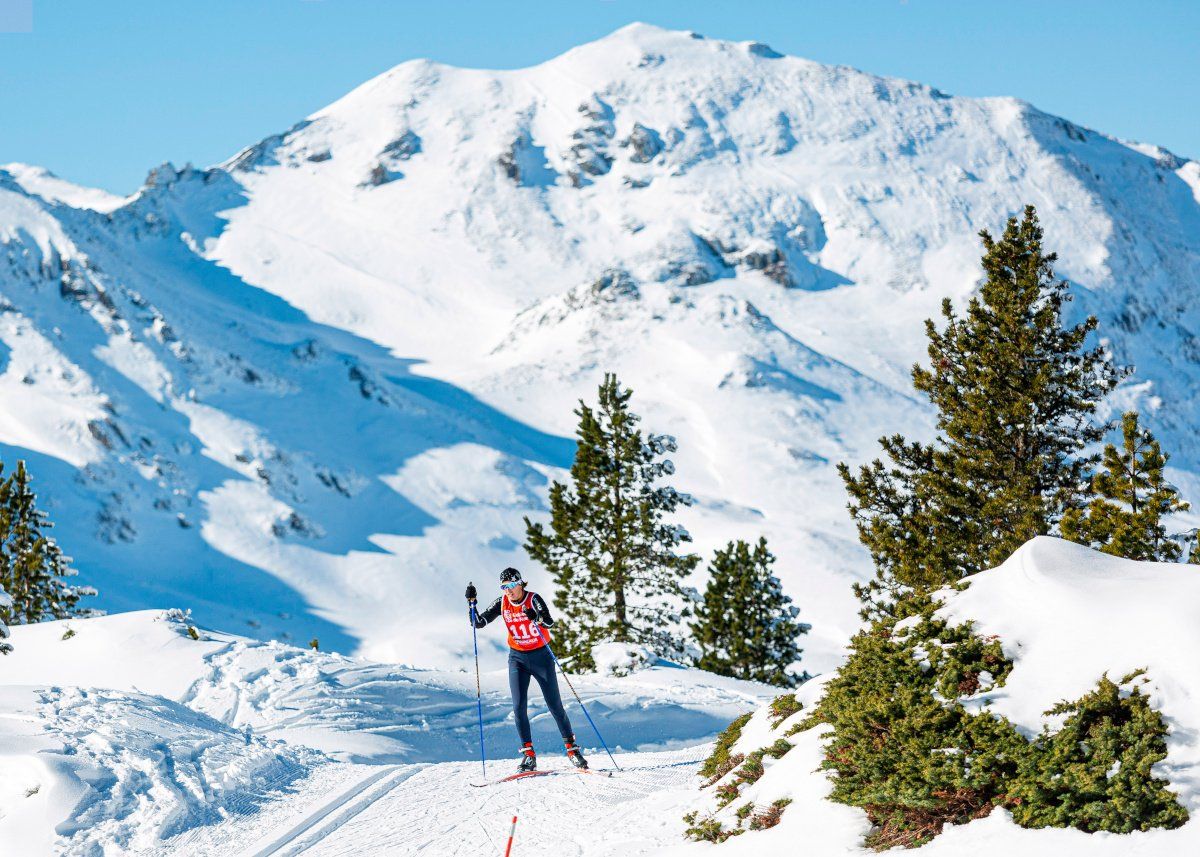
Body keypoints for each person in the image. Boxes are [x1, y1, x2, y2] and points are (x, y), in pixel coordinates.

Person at [466, 568, 588, 772]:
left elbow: (550, 622)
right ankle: (529, 755)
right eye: (504, 587)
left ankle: (572, 750)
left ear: (521, 583)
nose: (509, 591)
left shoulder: (533, 599)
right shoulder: (502, 602)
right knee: (519, 707)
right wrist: (472, 603)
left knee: (555, 706)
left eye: (512, 586)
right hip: (518, 659)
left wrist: (537, 618)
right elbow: (477, 623)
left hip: (541, 657)